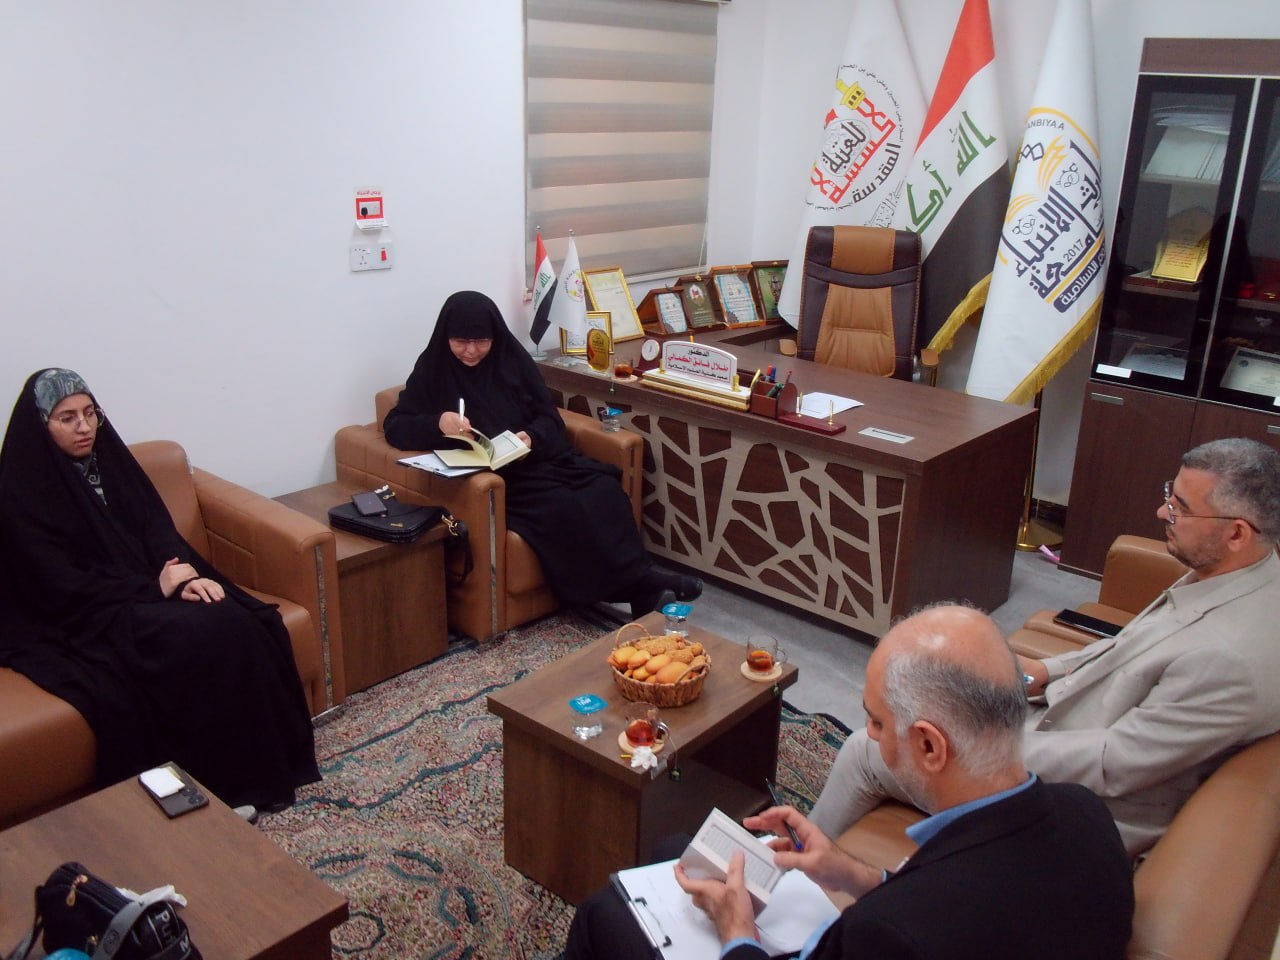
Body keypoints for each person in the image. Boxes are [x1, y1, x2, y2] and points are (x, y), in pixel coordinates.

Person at [564, 605, 1133, 960]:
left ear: (930, 746)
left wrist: (739, 932)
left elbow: (926, 918)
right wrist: (853, 874)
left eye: (877, 722)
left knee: (604, 914)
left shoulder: (891, 933)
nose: (868, 737)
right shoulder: (1086, 816)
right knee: (676, 852)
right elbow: (963, 894)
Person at [811, 437, 1280, 857]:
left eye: (1179, 508)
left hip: (1084, 800)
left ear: (1237, 533)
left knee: (866, 751)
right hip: (1067, 723)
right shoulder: (1239, 572)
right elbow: (1129, 649)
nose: (1162, 513)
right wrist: (1047, 671)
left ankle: (791, 876)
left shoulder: (1230, 661)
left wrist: (979, 744)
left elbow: (1113, 764)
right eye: (1168, 496)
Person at [0, 368, 320, 814]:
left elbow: (156, 530)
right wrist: (153, 588)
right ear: (41, 424)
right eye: (67, 418)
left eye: (90, 413)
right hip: (84, 612)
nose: (84, 427)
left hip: (144, 591)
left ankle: (264, 773)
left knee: (238, 617)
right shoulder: (20, 489)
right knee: (196, 637)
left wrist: (186, 577)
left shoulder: (110, 462)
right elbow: (57, 580)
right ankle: (218, 790)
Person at [384, 290, 701, 618]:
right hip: (495, 482)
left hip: (537, 463)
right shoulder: (434, 369)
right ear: (446, 336)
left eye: (481, 341)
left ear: (495, 336)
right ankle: (646, 586)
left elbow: (549, 418)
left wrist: (532, 436)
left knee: (603, 490)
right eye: (461, 341)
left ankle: (643, 590)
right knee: (563, 507)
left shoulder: (512, 361)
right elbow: (395, 425)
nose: (471, 350)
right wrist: (439, 422)